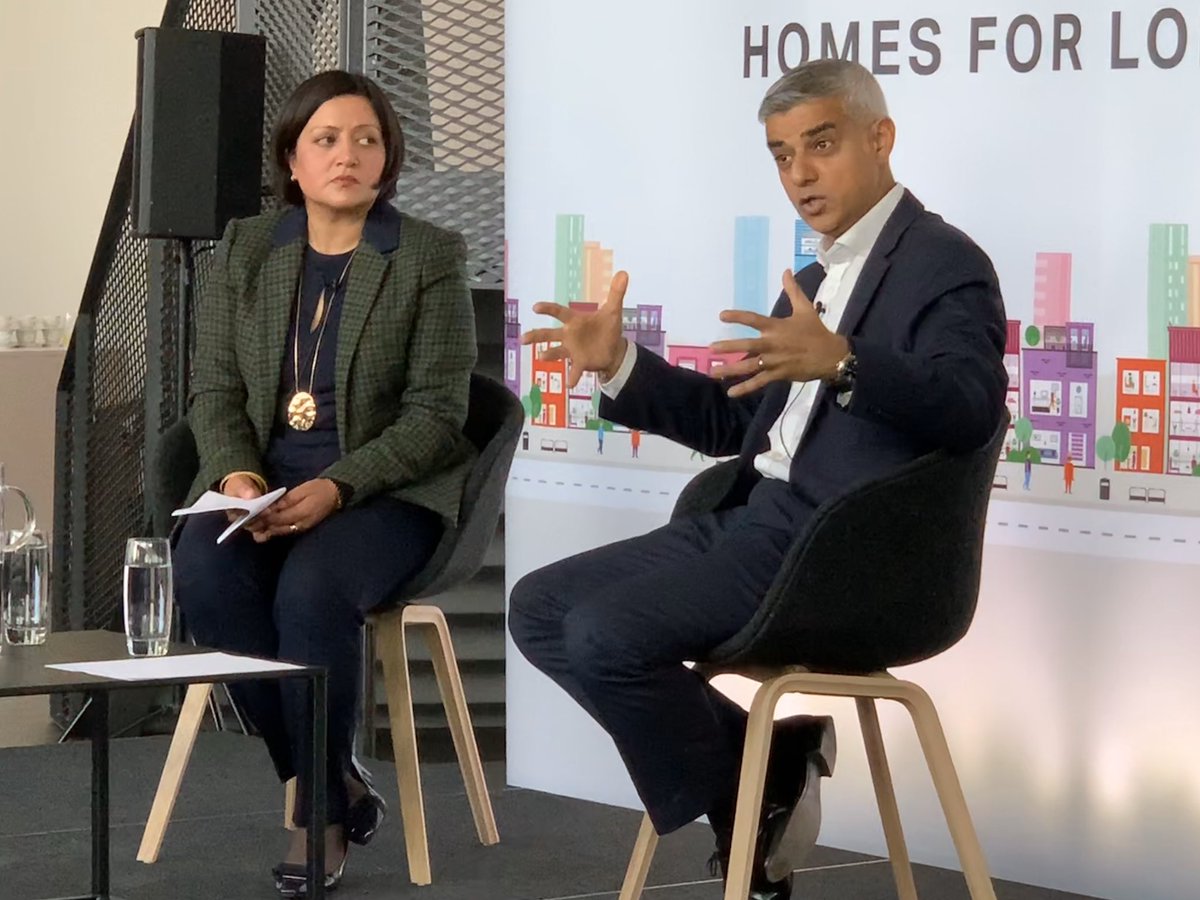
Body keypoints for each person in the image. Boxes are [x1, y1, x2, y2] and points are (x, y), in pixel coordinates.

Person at [508, 59, 1007, 900]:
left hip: (837, 551)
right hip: (753, 520)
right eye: (781, 155)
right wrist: (622, 365)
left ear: (879, 139)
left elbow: (967, 408)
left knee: (606, 635)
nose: (801, 174)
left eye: (821, 144)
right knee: (541, 608)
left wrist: (846, 360)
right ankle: (763, 767)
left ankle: (755, 794)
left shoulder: (945, 264)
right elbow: (736, 427)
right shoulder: (812, 283)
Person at [173, 70, 477, 896]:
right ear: (292, 160)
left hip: (384, 491)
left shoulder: (427, 257)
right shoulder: (246, 249)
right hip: (262, 484)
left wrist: (339, 488)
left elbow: (438, 415)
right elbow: (215, 394)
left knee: (310, 593)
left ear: (389, 158)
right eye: (327, 139)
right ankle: (329, 775)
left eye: (367, 139)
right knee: (204, 570)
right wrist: (238, 475)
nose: (349, 154)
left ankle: (320, 819)